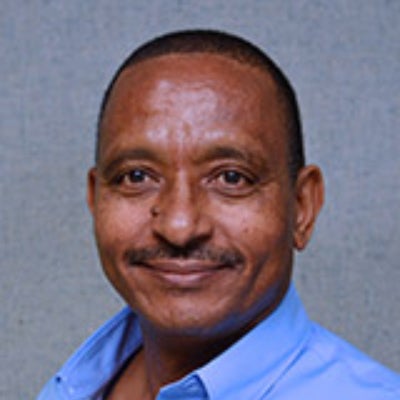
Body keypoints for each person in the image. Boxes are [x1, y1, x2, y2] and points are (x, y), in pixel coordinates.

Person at [38, 29, 400, 399]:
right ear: (95, 198)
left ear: (302, 207)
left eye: (231, 178)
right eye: (137, 176)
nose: (179, 226)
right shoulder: (76, 385)